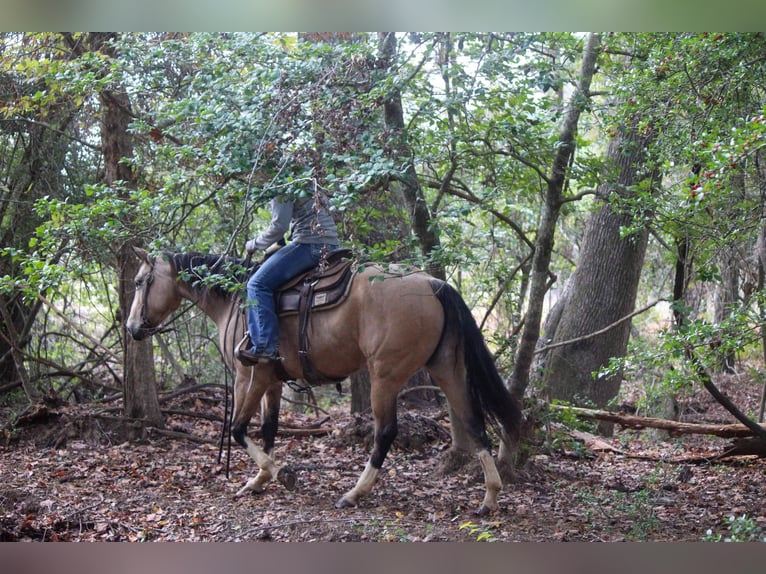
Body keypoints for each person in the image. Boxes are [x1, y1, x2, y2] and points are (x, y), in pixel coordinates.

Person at [237, 193, 340, 365]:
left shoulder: (282, 185)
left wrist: (253, 244)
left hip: (309, 245)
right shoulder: (308, 177)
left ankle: (264, 346)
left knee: (256, 284)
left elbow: (279, 226)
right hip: (332, 245)